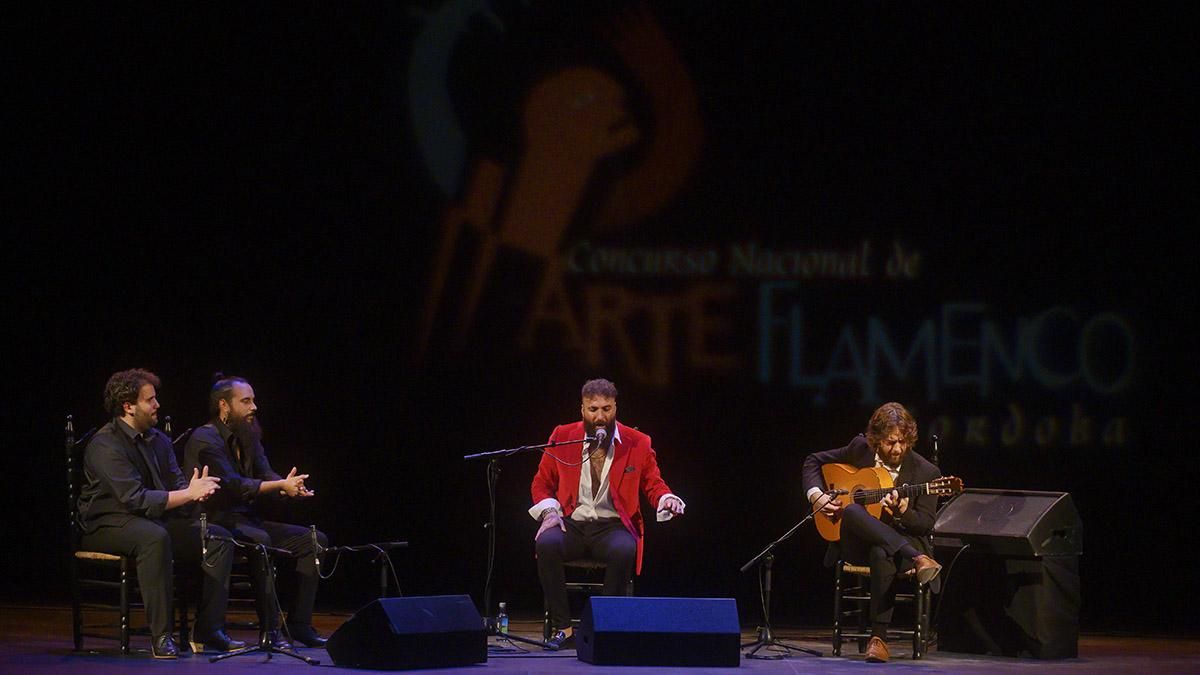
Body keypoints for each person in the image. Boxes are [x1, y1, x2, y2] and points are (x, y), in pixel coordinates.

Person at [78, 369, 241, 658]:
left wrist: (195, 491)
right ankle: (161, 636)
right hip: (106, 522)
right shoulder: (106, 444)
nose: (157, 405)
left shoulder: (159, 440)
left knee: (217, 537)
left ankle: (208, 629)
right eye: (150, 400)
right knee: (155, 538)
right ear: (128, 406)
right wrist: (185, 494)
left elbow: (177, 486)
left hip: (149, 520)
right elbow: (134, 499)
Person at [529, 379, 686, 650]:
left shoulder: (638, 442)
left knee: (625, 549)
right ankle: (563, 629)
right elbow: (541, 484)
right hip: (571, 525)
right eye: (593, 409)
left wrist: (666, 498)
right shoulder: (562, 435)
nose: (600, 417)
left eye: (607, 409)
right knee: (546, 543)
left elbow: (652, 482)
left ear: (616, 407)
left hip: (612, 527)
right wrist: (550, 512)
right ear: (582, 409)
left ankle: (602, 626)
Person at [183, 374, 329, 649]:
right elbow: (233, 486)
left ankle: (299, 625)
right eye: (246, 401)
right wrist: (277, 484)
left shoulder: (249, 435)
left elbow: (265, 472)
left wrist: (287, 487)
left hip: (245, 520)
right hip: (214, 521)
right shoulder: (205, 438)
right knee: (260, 541)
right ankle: (270, 631)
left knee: (314, 540)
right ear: (224, 405)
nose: (254, 407)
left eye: (254, 400)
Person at [801, 402, 943, 663]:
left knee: (881, 551)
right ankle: (917, 557)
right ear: (876, 440)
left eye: (902, 441)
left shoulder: (927, 473)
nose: (897, 448)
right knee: (854, 511)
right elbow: (813, 460)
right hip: (857, 546)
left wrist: (902, 512)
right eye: (890, 442)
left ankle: (878, 639)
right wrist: (817, 497)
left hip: (895, 550)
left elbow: (925, 525)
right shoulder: (859, 450)